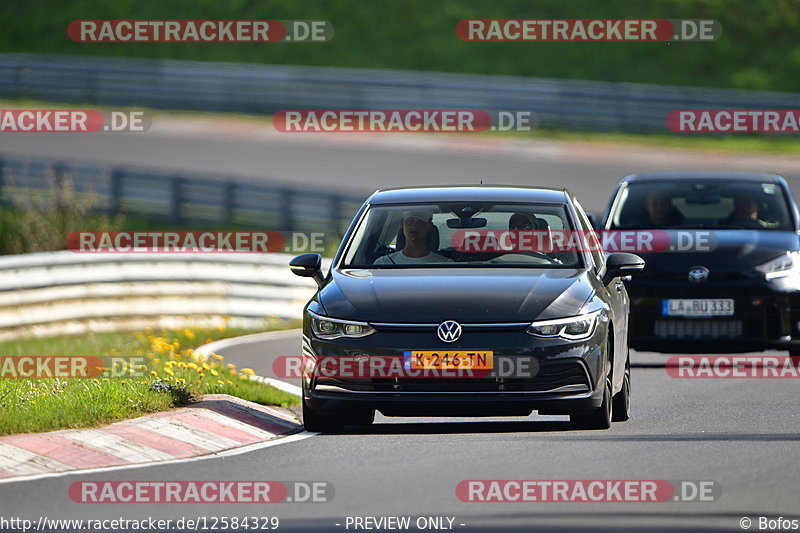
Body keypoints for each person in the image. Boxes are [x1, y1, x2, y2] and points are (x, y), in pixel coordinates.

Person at [374, 209, 453, 264]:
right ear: (402, 223)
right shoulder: (383, 263)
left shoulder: (446, 265)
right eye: (410, 222)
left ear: (429, 226)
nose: (414, 227)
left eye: (420, 223)